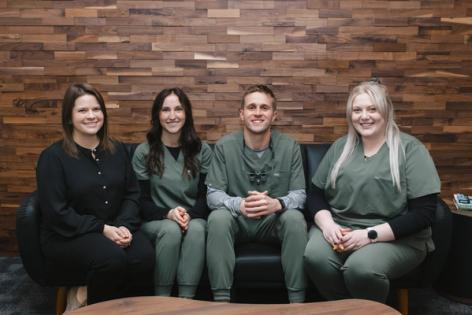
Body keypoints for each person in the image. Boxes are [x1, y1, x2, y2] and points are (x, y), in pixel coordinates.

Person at [304, 79, 441, 302]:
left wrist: (369, 235)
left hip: (396, 237)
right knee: (314, 256)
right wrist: (328, 226)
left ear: (385, 111)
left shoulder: (411, 150)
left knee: (361, 268)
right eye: (357, 110)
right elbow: (315, 194)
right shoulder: (341, 147)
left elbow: (424, 214)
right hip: (341, 228)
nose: (364, 116)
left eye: (372, 109)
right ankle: (345, 308)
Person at [36, 83, 154, 309]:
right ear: (69, 117)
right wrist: (103, 229)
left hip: (114, 227)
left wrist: (122, 226)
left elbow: (132, 194)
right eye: (82, 110)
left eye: (96, 109)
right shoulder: (53, 157)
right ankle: (91, 308)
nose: (91, 116)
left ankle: (99, 299)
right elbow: (56, 213)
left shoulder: (117, 150)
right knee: (111, 259)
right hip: (68, 236)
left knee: (144, 256)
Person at [205, 84, 307, 303]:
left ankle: (297, 303)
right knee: (217, 218)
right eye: (252, 107)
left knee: (295, 218)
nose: (258, 113)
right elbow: (213, 195)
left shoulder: (290, 147)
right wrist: (239, 204)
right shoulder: (224, 147)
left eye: (264, 107)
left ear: (274, 115)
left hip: (273, 222)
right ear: (242, 114)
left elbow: (299, 195)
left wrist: (277, 204)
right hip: (238, 221)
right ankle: (221, 303)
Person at [132, 88, 212, 298]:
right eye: (165, 110)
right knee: (171, 229)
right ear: (157, 115)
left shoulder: (201, 150)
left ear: (187, 114)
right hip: (157, 220)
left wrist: (188, 217)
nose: (172, 115)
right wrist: (169, 214)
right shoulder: (143, 152)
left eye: (178, 109)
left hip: (194, 217)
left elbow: (206, 196)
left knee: (195, 230)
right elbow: (141, 201)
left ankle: (186, 301)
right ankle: (162, 301)